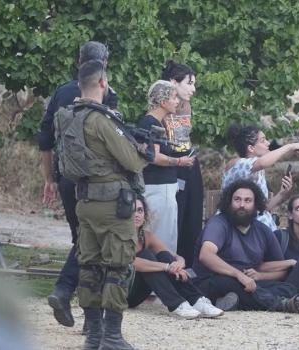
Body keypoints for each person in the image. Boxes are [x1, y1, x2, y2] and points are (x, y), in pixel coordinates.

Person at [41, 41, 117, 328]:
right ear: (104, 65)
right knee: (92, 243)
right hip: (94, 181)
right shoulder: (107, 94)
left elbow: (45, 140)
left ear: (78, 60)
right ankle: (68, 293)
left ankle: (87, 314)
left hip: (65, 177)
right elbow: (111, 143)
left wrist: (49, 178)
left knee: (82, 240)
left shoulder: (61, 92)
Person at [71, 60, 147, 349]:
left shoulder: (69, 116)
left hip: (85, 200)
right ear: (102, 83)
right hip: (112, 204)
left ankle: (93, 334)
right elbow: (131, 160)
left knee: (89, 265)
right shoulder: (101, 119)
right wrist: (144, 152)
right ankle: (112, 336)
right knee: (119, 266)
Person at [192, 179, 299, 313]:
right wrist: (239, 275)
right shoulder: (219, 224)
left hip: (249, 283)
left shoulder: (263, 230)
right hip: (214, 281)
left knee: (289, 288)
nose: (242, 205)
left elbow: (280, 269)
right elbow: (206, 255)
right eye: (237, 200)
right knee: (231, 283)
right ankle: (280, 304)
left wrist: (260, 276)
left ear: (255, 204)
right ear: (229, 202)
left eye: (247, 201)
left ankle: (234, 302)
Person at [127, 197, 223, 319]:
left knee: (163, 256)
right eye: (132, 211)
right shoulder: (116, 237)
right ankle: (177, 303)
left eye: (140, 210)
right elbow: (130, 261)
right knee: (146, 256)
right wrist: (167, 267)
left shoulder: (146, 236)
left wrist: (179, 263)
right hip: (123, 294)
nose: (136, 215)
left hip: (138, 292)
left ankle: (197, 300)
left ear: (145, 215)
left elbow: (173, 255)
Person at [138, 80, 195, 253]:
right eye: (173, 97)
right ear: (163, 102)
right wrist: (179, 161)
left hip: (162, 188)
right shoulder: (152, 123)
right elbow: (153, 156)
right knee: (162, 239)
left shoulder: (156, 122)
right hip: (158, 188)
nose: (177, 101)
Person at [222, 125, 299, 230]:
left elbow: (263, 209)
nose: (268, 143)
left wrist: (282, 193)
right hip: (241, 227)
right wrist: (289, 146)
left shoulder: (258, 170)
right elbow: (263, 162)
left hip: (263, 228)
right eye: (263, 141)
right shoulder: (237, 164)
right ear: (251, 148)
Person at [161, 60, 202, 267]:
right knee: (174, 217)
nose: (193, 89)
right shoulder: (161, 106)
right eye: (189, 83)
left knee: (193, 216)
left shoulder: (187, 105)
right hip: (172, 166)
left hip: (189, 162)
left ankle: (189, 266)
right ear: (172, 83)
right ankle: (170, 264)